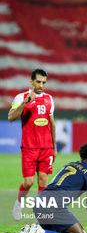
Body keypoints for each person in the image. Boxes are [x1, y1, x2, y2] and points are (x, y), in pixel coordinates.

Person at [11, 143, 87, 233]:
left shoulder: (69, 164)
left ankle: (30, 232)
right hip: (55, 205)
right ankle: (39, 232)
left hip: (39, 200)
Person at [8, 69, 57, 221]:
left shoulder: (49, 99)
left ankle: (39, 215)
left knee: (43, 181)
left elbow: (52, 124)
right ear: (31, 81)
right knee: (28, 182)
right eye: (38, 82)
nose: (41, 85)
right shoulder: (21, 97)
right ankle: (18, 203)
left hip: (46, 147)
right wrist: (25, 103)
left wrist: (54, 147)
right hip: (29, 148)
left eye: (44, 82)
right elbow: (11, 117)